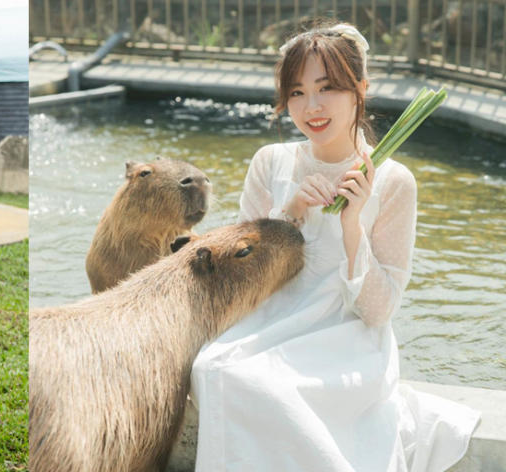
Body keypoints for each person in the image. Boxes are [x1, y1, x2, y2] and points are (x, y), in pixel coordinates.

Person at [188, 22, 480, 470]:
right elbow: (236, 279)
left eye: (328, 88)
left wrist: (351, 227)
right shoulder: (271, 162)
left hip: (345, 337)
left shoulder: (393, 180)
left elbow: (379, 312)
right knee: (213, 370)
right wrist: (289, 216)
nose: (312, 107)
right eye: (298, 92)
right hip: (269, 322)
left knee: (264, 387)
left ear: (360, 88)